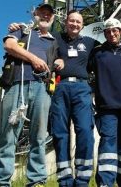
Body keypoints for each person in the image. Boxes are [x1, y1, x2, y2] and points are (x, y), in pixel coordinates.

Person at [0, 3, 61, 187]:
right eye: (41, 13)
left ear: (53, 18)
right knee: (8, 135)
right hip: (17, 85)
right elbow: (9, 45)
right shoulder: (23, 30)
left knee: (38, 137)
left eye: (49, 14)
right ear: (34, 15)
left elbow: (61, 58)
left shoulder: (54, 41)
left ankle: (37, 181)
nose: (45, 16)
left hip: (42, 88)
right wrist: (33, 58)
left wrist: (60, 60)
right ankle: (1, 182)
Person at [49, 10, 99, 187]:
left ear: (82, 25)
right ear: (66, 22)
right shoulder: (55, 38)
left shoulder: (90, 42)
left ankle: (83, 180)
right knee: (60, 133)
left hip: (82, 88)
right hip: (60, 88)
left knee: (85, 131)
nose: (75, 24)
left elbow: (110, 46)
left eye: (78, 22)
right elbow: (37, 36)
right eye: (72, 21)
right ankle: (65, 180)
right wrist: (19, 28)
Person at [88, 18, 121, 187]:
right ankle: (105, 183)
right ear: (104, 34)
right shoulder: (97, 53)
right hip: (106, 109)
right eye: (108, 31)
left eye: (115, 30)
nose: (112, 34)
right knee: (107, 146)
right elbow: (82, 69)